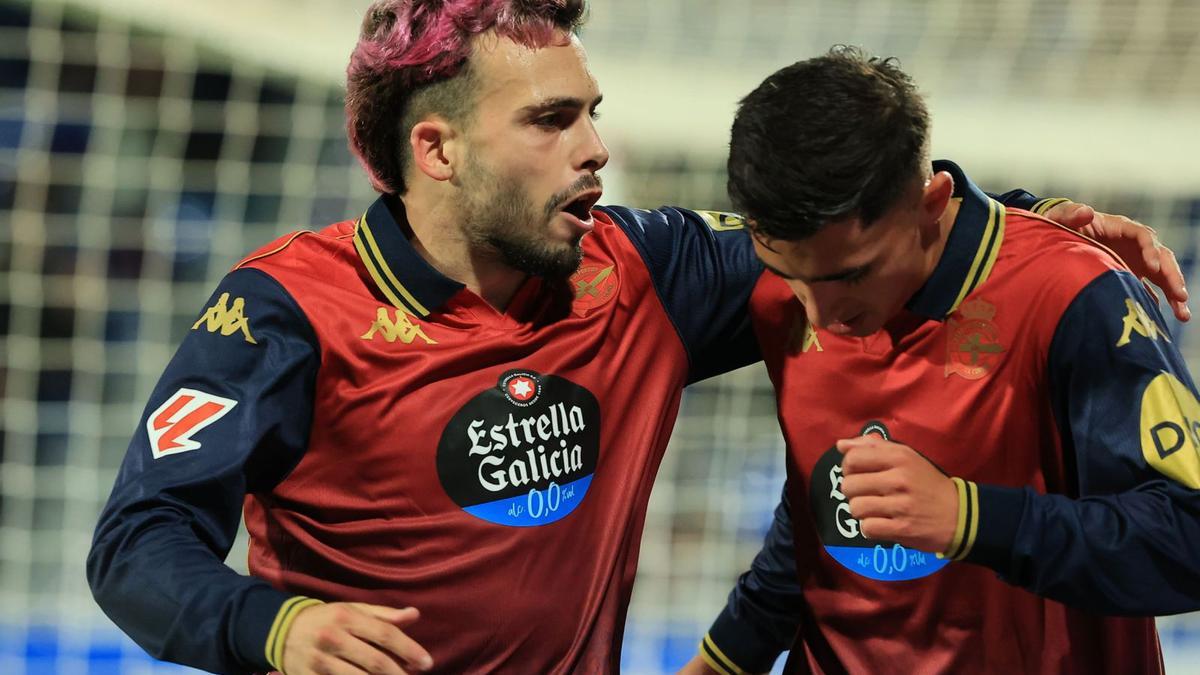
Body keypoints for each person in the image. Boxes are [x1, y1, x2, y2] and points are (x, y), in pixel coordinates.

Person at [84, 2, 1186, 674]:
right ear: (436, 148)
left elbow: (874, 234)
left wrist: (1037, 220)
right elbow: (137, 544)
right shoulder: (284, 312)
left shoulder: (641, 271)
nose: (598, 147)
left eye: (591, 110)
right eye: (553, 121)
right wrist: (275, 632)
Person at [686, 47, 1200, 675]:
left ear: (932, 203)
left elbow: (1188, 535)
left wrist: (968, 517)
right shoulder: (785, 290)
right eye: (789, 276)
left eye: (852, 274)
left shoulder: (1072, 293)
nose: (820, 317)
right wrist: (725, 661)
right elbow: (821, 503)